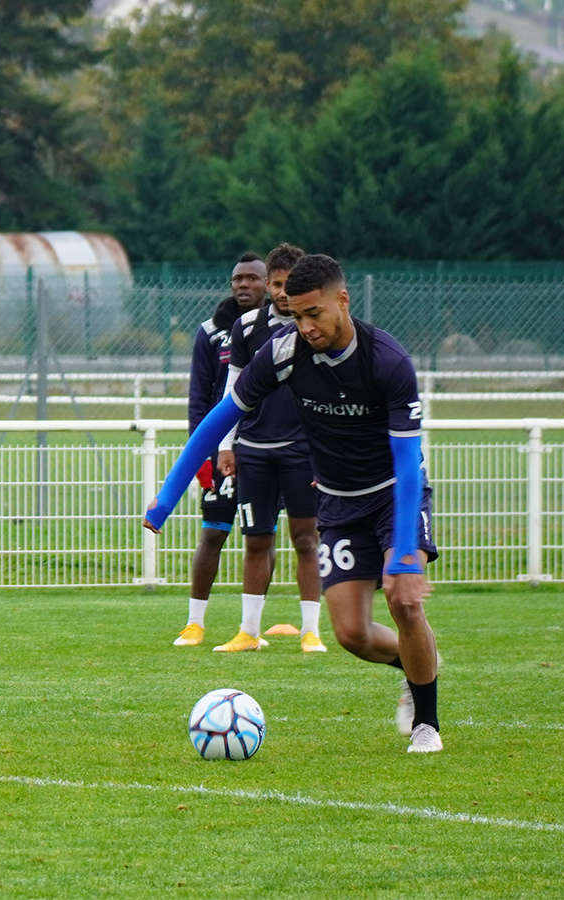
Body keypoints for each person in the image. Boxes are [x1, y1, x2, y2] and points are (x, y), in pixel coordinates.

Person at [146, 254, 443, 753]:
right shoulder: (282, 353)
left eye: (315, 314)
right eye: (296, 315)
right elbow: (219, 419)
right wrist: (169, 494)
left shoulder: (388, 361)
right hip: (339, 501)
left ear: (342, 301)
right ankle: (417, 663)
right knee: (351, 633)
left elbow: (407, 459)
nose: (306, 326)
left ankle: (426, 724)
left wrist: (408, 554)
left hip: (395, 493)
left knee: (403, 600)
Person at [212, 243, 325, 653]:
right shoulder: (245, 327)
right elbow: (233, 387)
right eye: (276, 284)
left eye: (288, 285)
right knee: (256, 540)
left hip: (300, 450)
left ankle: (311, 630)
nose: (281, 292)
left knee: (306, 538)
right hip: (254, 449)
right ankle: (248, 631)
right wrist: (226, 444)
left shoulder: (313, 328)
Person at [173, 252, 270, 647]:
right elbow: (200, 399)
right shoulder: (210, 333)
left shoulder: (283, 330)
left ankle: (252, 627)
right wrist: (201, 455)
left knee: (262, 537)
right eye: (237, 279)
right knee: (212, 533)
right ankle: (195, 623)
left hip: (266, 448)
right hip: (221, 451)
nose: (243, 285)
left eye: (252, 278)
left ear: (268, 284)